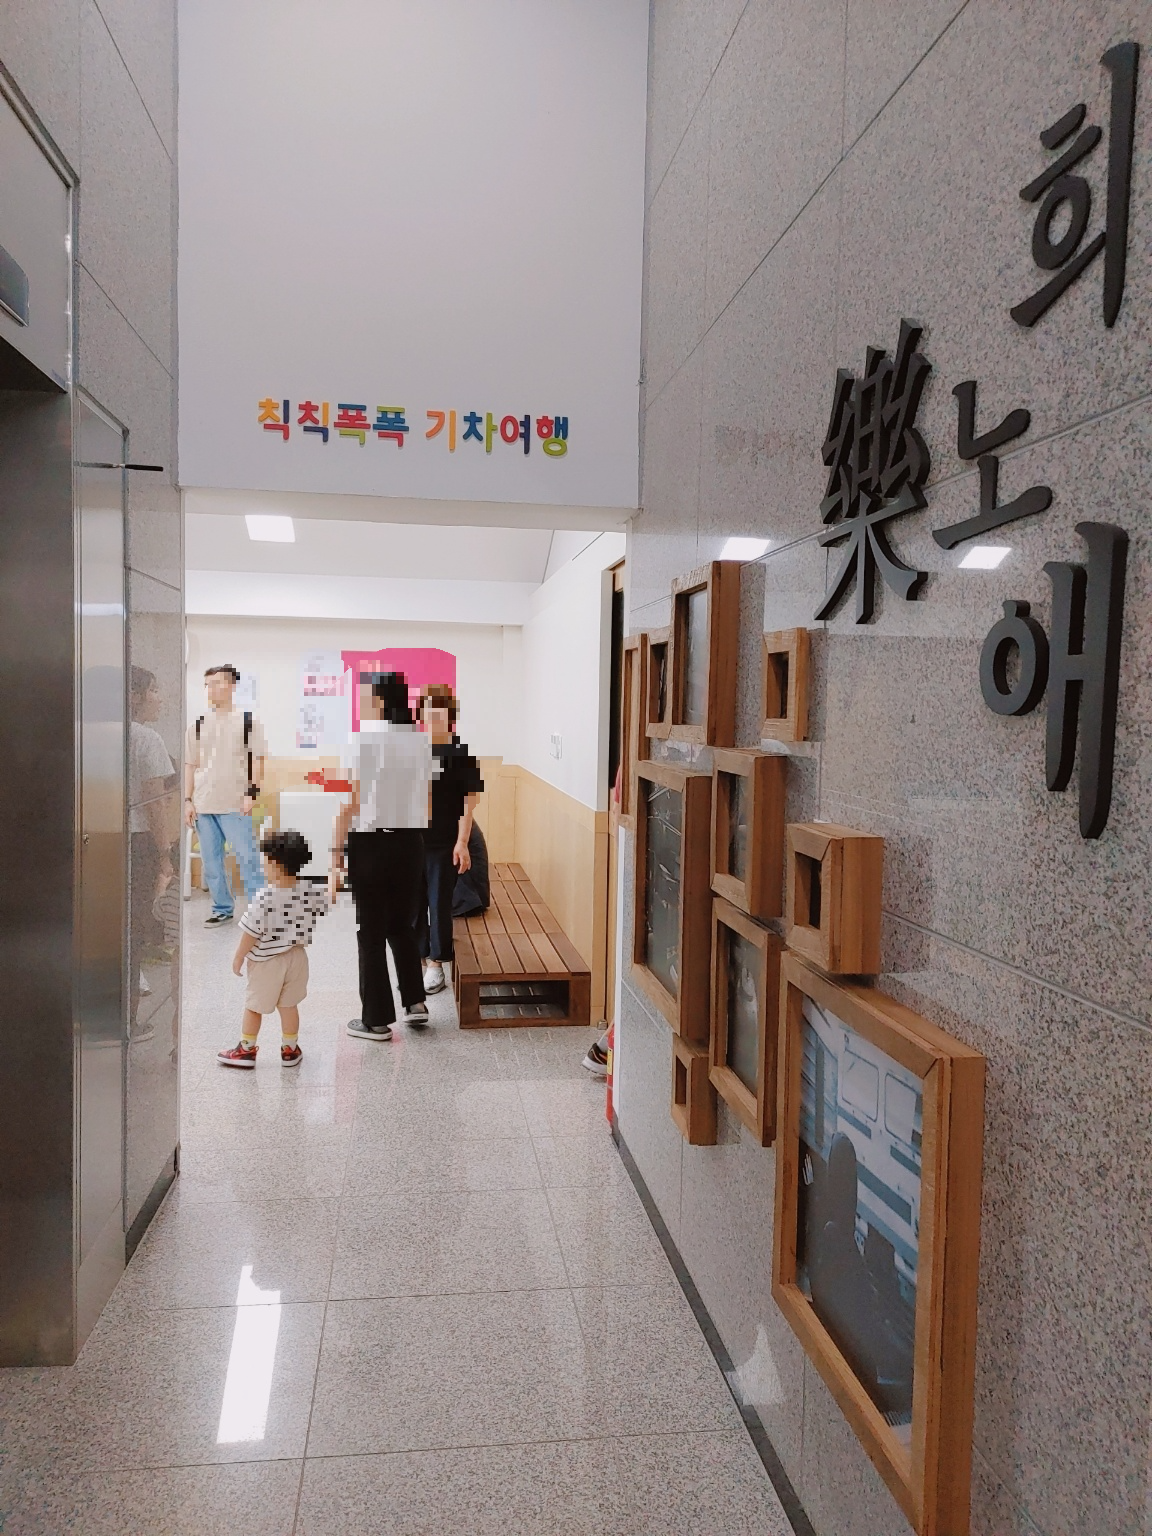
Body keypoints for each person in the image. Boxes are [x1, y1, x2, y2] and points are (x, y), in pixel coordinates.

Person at [330, 671, 435, 1041]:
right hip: (410, 844)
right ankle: (415, 1002)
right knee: (402, 925)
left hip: (371, 843)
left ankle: (375, 1021)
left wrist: (335, 852)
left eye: (363, 694)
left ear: (378, 699)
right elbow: (427, 800)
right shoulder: (420, 741)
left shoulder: (362, 740)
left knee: (371, 932)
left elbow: (350, 801)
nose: (360, 701)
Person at [217, 828, 329, 1069]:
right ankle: (290, 1049)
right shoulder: (309, 889)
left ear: (276, 865)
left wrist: (238, 956)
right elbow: (322, 906)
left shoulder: (265, 897)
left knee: (254, 1006)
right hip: (297, 957)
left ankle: (246, 1050)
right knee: (289, 1006)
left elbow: (251, 932)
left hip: (267, 961)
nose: (263, 867)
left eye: (265, 862)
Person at [185, 664, 268, 926]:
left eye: (217, 683)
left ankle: (260, 911)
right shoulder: (198, 725)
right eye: (208, 685)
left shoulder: (248, 722)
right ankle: (222, 907)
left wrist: (251, 794)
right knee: (211, 862)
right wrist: (187, 800)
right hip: (203, 803)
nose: (211, 689)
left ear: (232, 686)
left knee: (248, 858)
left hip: (235, 803)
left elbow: (257, 761)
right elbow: (190, 765)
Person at [415, 684, 484, 995]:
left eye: (440, 709)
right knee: (414, 903)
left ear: (449, 715)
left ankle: (436, 963)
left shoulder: (461, 754)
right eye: (429, 708)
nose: (434, 714)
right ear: (421, 714)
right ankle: (419, 957)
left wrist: (462, 842)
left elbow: (468, 805)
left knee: (439, 902)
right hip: (412, 842)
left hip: (444, 843)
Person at [129, 668, 177, 1034]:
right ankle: (128, 1022)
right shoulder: (146, 739)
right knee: (133, 928)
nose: (159, 698)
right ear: (135, 696)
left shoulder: (101, 734)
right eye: (154, 690)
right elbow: (154, 803)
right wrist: (164, 854)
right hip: (138, 842)